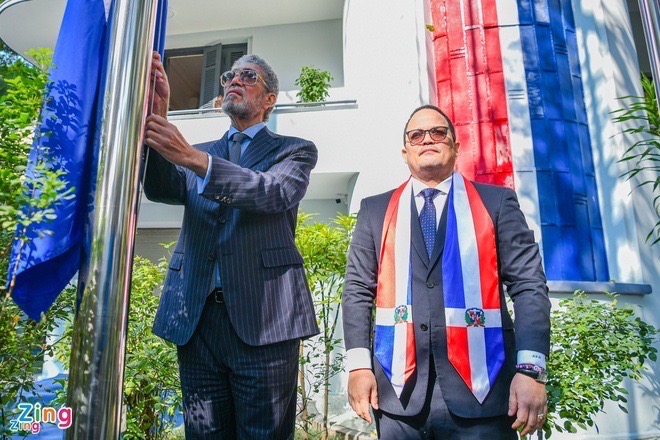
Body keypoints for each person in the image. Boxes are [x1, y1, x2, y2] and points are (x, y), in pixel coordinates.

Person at [342, 105, 551, 439]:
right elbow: (357, 292)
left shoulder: (496, 203)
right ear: (405, 152)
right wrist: (358, 365)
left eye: (438, 132)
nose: (427, 139)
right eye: (416, 135)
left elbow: (529, 286)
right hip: (398, 397)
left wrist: (531, 371)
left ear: (456, 146)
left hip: (483, 393)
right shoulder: (375, 210)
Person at [143, 52, 320, 439]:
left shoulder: (294, 150)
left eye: (248, 76)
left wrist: (195, 159)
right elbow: (160, 188)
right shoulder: (200, 150)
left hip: (265, 322)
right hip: (198, 320)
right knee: (203, 433)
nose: (234, 81)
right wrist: (158, 114)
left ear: (269, 99)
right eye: (229, 76)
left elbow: (272, 192)